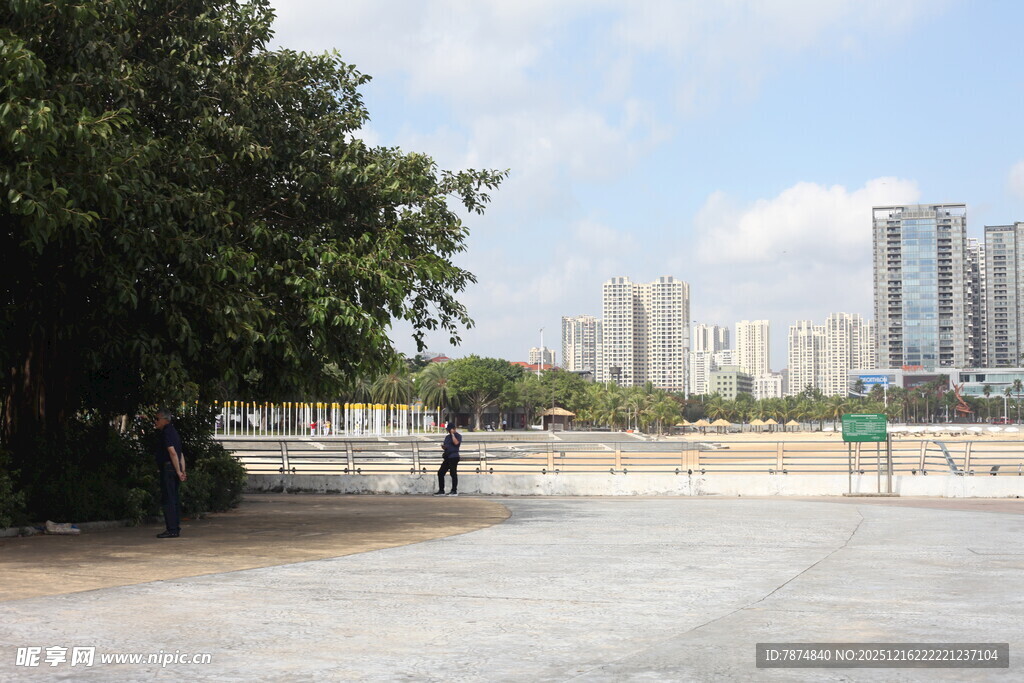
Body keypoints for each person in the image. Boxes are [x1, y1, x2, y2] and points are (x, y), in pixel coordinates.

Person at [153, 409, 186, 538]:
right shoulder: (174, 432)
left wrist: (178, 471)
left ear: (164, 420)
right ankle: (175, 527)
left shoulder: (166, 432)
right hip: (174, 468)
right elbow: (180, 453)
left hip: (169, 468)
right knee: (174, 498)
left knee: (169, 499)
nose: (155, 422)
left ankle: (172, 529)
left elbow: (172, 452)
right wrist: (182, 470)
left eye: (157, 419)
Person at [435, 423, 461, 496]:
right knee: (440, 472)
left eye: (450, 429)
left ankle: (454, 490)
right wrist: (444, 447)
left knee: (453, 473)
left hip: (454, 457)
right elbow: (446, 445)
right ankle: (441, 490)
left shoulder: (458, 436)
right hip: (447, 456)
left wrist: (453, 434)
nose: (449, 431)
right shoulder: (447, 437)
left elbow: (456, 443)